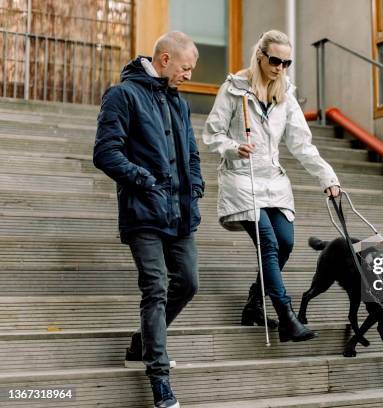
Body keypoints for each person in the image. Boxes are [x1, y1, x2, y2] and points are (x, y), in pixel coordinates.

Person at [202, 30, 340, 343]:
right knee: (268, 243)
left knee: (286, 243)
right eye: (275, 60)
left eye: (286, 62)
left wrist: (328, 177)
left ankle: (253, 304)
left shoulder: (286, 96)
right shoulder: (234, 89)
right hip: (241, 177)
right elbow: (211, 134)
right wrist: (234, 147)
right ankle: (286, 316)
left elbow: (302, 144)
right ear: (261, 57)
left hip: (273, 181)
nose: (280, 67)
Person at [93, 31, 203, 408]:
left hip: (181, 213)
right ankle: (159, 380)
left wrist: (197, 187)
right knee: (155, 288)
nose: (190, 75)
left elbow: (192, 154)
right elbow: (106, 153)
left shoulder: (180, 103)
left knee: (187, 283)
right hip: (143, 212)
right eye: (186, 68)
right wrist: (145, 180)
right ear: (165, 60)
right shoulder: (122, 95)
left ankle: (141, 343)